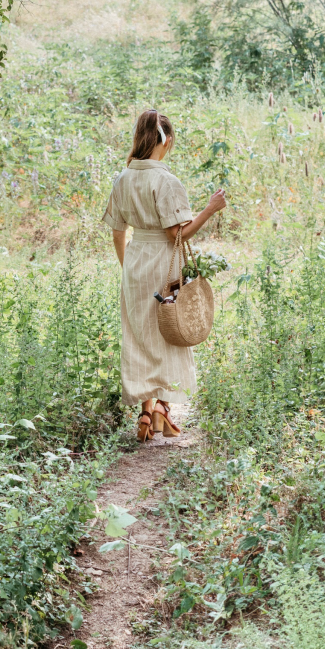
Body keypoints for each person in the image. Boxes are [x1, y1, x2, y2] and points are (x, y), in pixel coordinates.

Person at [103, 109, 227, 441]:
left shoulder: (123, 178)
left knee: (140, 335)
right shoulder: (166, 181)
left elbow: (117, 232)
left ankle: (148, 410)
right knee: (167, 331)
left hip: (135, 261)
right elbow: (178, 234)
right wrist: (211, 208)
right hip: (162, 261)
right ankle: (161, 409)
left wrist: (127, 266)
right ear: (166, 140)